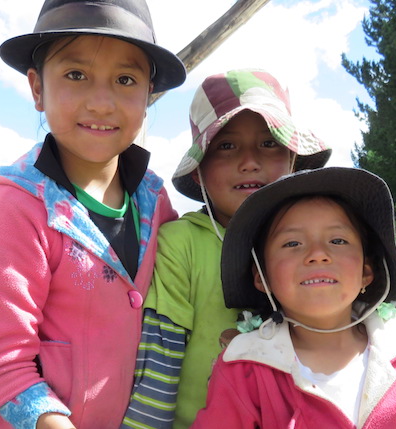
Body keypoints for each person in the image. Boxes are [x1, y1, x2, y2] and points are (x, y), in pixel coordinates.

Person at [0, 1, 186, 428]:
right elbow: (3, 363)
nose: (102, 102)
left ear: (148, 97)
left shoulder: (156, 201)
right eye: (75, 75)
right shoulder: (18, 209)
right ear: (36, 89)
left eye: (125, 79)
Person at [122, 69, 331, 429]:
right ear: (199, 171)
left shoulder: (315, 245)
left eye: (269, 143)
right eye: (227, 145)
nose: (249, 161)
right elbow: (158, 365)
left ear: (292, 160)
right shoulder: (181, 244)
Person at [191, 167, 396, 428]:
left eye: (337, 241)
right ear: (262, 277)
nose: (318, 254)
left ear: (366, 272)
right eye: (292, 243)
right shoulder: (245, 369)